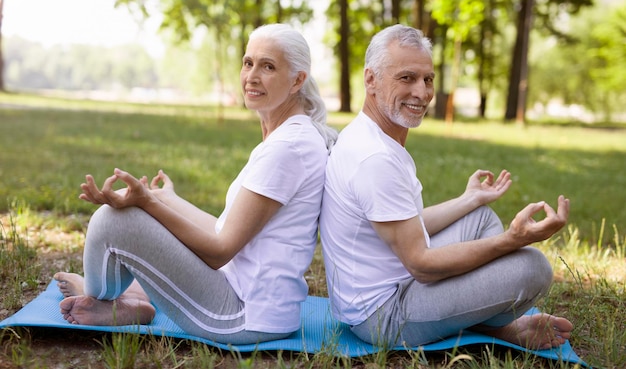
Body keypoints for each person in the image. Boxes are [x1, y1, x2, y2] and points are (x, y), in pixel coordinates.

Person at [54, 23, 337, 344]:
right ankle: (135, 300)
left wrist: (148, 203)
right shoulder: (291, 138)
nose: (252, 76)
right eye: (248, 63)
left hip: (242, 315)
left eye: (268, 66)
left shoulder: (288, 148)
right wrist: (163, 199)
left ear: (298, 79)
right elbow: (224, 230)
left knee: (112, 220)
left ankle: (100, 297)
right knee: (132, 214)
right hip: (253, 302)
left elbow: (219, 252)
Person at [319, 24, 574, 351]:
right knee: (533, 268)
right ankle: (497, 326)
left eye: (428, 80)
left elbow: (408, 223)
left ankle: (481, 319)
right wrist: (511, 240)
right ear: (371, 80)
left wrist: (469, 199)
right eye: (406, 78)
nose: (422, 93)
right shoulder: (374, 159)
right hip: (382, 318)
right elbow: (421, 265)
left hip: (397, 281)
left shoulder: (371, 136)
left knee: (478, 216)